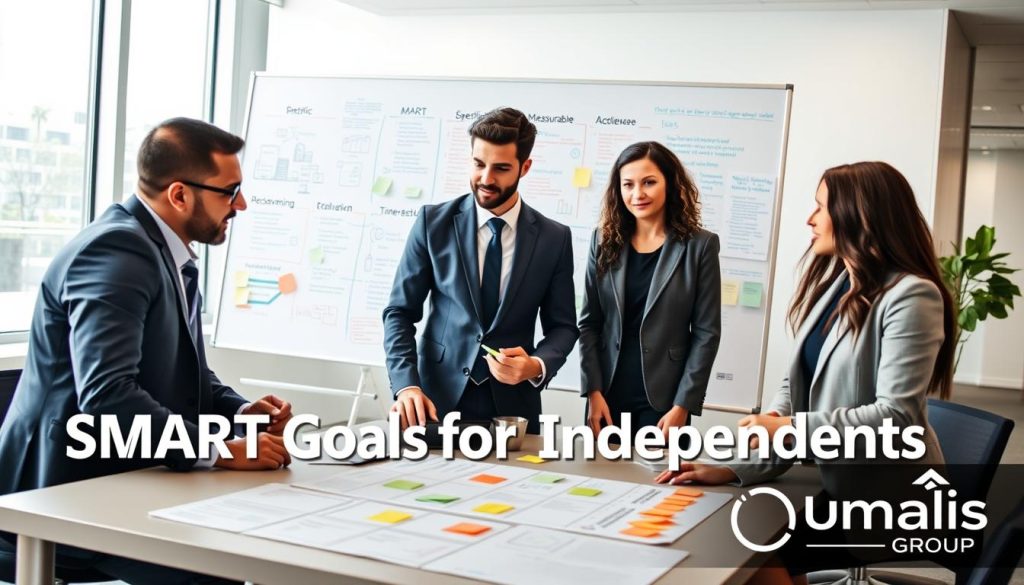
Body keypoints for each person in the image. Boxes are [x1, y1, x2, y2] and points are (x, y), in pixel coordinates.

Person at [0, 117, 294, 584]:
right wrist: (220, 450)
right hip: (72, 490)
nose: (241, 204)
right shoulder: (118, 251)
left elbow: (177, 368)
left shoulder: (165, 250)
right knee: (222, 565)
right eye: (229, 190)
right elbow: (108, 393)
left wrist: (241, 413)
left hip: (131, 472)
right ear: (179, 195)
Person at [656, 161, 955, 581]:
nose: (810, 219)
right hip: (831, 480)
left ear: (859, 215)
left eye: (820, 207)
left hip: (885, 497)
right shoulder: (839, 284)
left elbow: (895, 417)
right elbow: (794, 386)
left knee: (746, 551)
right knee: (733, 531)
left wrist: (789, 428)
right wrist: (738, 466)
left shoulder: (912, 295)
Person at [383, 107, 579, 434]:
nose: (486, 178)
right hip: (433, 404)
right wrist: (406, 386)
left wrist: (535, 365)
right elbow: (399, 312)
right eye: (478, 164)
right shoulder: (433, 223)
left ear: (525, 167)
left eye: (501, 168)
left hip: (513, 410)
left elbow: (563, 327)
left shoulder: (554, 238)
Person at [578, 141, 721, 438]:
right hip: (606, 394)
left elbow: (707, 333)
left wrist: (683, 405)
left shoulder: (700, 246)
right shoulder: (602, 241)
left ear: (670, 183)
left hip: (665, 402)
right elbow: (589, 323)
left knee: (659, 482)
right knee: (601, 480)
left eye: (649, 182)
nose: (637, 194)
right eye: (628, 184)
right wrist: (592, 391)